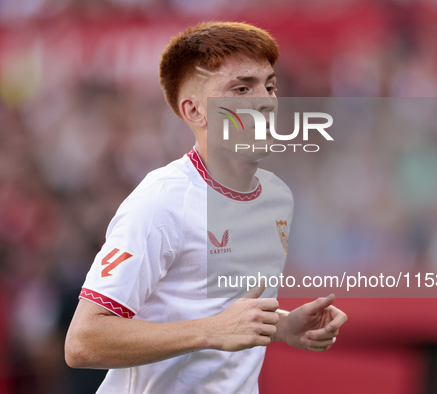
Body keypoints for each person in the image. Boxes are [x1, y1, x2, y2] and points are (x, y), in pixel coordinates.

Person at [65, 21, 347, 393]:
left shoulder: (278, 197)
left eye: (270, 85)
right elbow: (83, 342)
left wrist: (284, 326)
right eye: (241, 88)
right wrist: (212, 332)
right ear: (194, 111)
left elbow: (217, 307)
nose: (265, 100)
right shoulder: (161, 200)